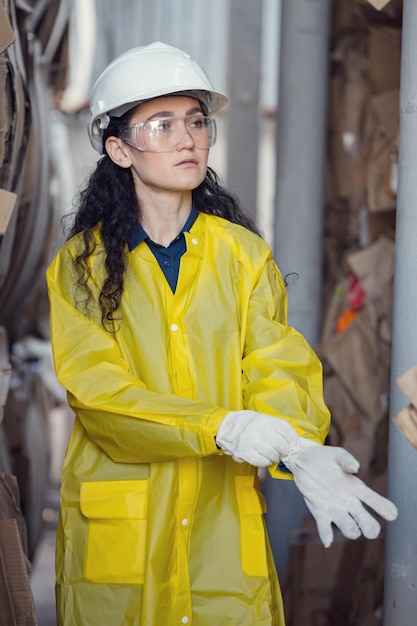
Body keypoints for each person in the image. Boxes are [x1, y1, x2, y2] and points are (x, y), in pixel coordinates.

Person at [46, 42, 398, 626]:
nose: (187, 139)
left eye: (196, 121)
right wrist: (223, 426)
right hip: (123, 540)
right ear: (119, 149)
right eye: (162, 124)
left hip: (221, 534)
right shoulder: (81, 266)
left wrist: (297, 444)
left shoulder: (242, 255)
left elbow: (276, 363)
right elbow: (99, 394)